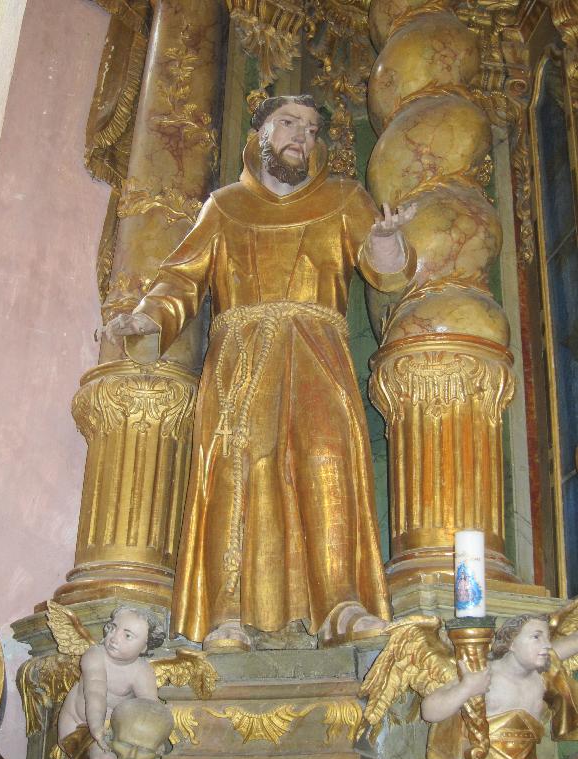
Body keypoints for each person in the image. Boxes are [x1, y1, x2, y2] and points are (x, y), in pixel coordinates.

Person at [106, 95, 417, 652]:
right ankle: (228, 613)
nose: (302, 136)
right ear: (261, 133)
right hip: (241, 356)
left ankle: (341, 605)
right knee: (237, 469)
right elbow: (181, 279)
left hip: (317, 351)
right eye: (289, 123)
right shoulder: (224, 206)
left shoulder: (344, 198)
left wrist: (387, 241)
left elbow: (385, 271)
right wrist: (147, 318)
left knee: (327, 461)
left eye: (312, 128)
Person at [421, 614, 578, 759]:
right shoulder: (486, 674)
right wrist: (466, 689)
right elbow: (429, 711)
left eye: (547, 638)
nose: (547, 645)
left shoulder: (541, 674)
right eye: (536, 637)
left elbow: (572, 642)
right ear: (512, 643)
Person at [58, 606, 165, 759]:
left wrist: (156, 739)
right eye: (113, 628)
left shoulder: (142, 671)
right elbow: (95, 693)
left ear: (144, 647)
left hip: (111, 729)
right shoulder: (95, 655)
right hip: (77, 722)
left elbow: (151, 709)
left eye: (127, 636)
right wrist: (96, 727)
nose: (114, 638)